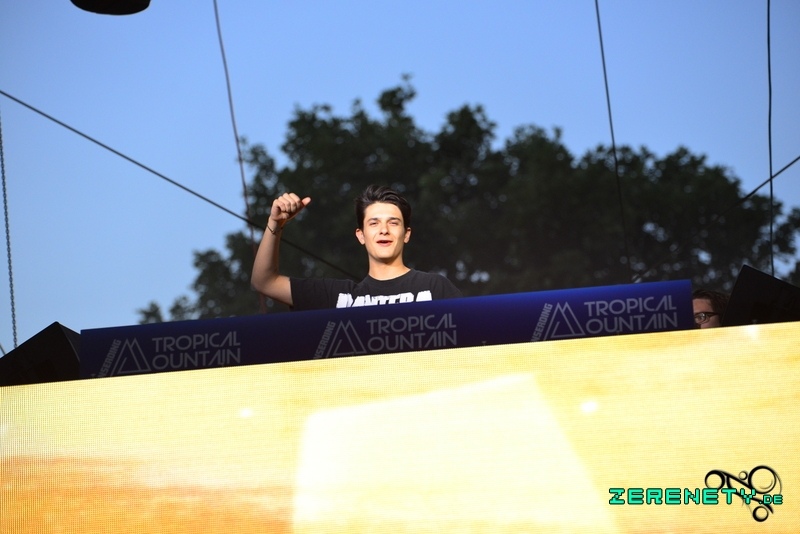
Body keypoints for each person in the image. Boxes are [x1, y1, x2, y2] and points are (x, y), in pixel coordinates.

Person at [251, 185, 462, 311]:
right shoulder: (339, 297)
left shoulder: (434, 287)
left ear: (406, 234)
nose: (384, 230)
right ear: (361, 235)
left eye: (393, 223)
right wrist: (275, 223)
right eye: (374, 223)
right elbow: (264, 282)